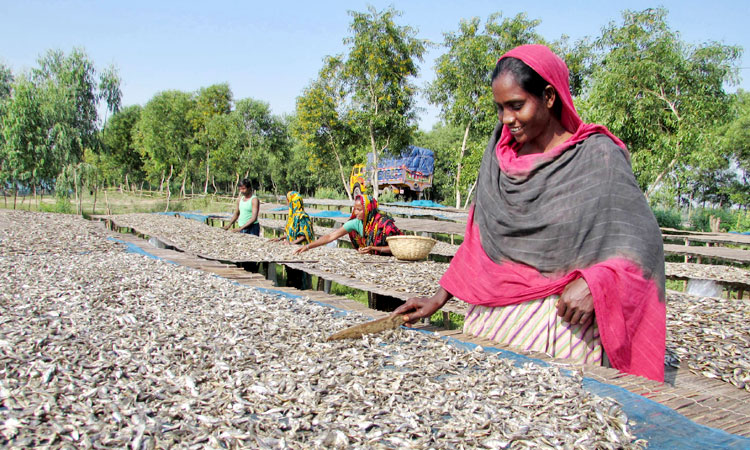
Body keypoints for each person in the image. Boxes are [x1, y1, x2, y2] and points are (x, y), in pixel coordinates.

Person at [394, 44, 666, 382]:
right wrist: (438, 298)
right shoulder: (499, 156)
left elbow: (642, 246)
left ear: (549, 96)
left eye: (516, 105)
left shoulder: (597, 157)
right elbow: (480, 239)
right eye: (500, 108)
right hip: (490, 323)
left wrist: (593, 283)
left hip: (562, 328)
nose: (506, 119)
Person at [295, 194, 403, 255]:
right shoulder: (356, 223)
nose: (355, 213)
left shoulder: (384, 224)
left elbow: (400, 246)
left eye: (359, 210)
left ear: (368, 210)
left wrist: (374, 248)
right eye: (354, 209)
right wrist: (308, 246)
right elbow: (330, 236)